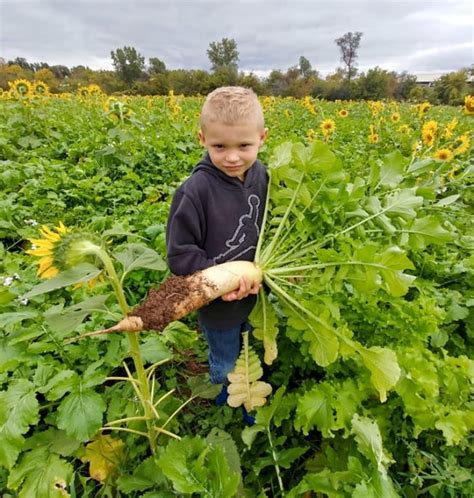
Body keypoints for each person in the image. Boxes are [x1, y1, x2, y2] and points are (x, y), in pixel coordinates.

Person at [166, 86, 268, 421]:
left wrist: (258, 274)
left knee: (252, 350)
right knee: (226, 360)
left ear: (262, 138)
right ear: (202, 139)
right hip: (216, 305)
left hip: (259, 298)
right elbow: (180, 256)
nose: (232, 157)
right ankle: (226, 404)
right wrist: (221, 281)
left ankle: (251, 398)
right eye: (219, 146)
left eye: (244, 146)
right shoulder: (194, 192)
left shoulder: (265, 176)